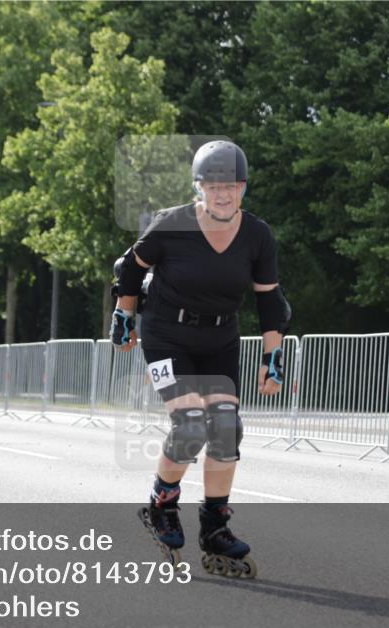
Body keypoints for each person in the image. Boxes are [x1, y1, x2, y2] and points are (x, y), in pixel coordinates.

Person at [110, 140, 291, 578]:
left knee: (227, 431)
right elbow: (129, 269)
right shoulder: (171, 225)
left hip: (220, 340)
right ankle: (162, 504)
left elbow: (270, 302)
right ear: (199, 188)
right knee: (190, 426)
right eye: (214, 186)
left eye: (231, 186)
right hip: (167, 334)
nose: (223, 194)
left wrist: (273, 356)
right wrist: (124, 315)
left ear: (243, 188)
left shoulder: (257, 236)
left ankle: (215, 527)